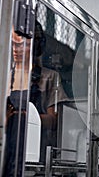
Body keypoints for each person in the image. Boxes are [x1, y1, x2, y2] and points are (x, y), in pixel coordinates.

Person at [3, 22, 68, 176]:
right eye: (15, 42)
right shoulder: (6, 73)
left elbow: (54, 121)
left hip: (37, 152)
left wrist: (24, 116)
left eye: (27, 43)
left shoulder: (49, 77)